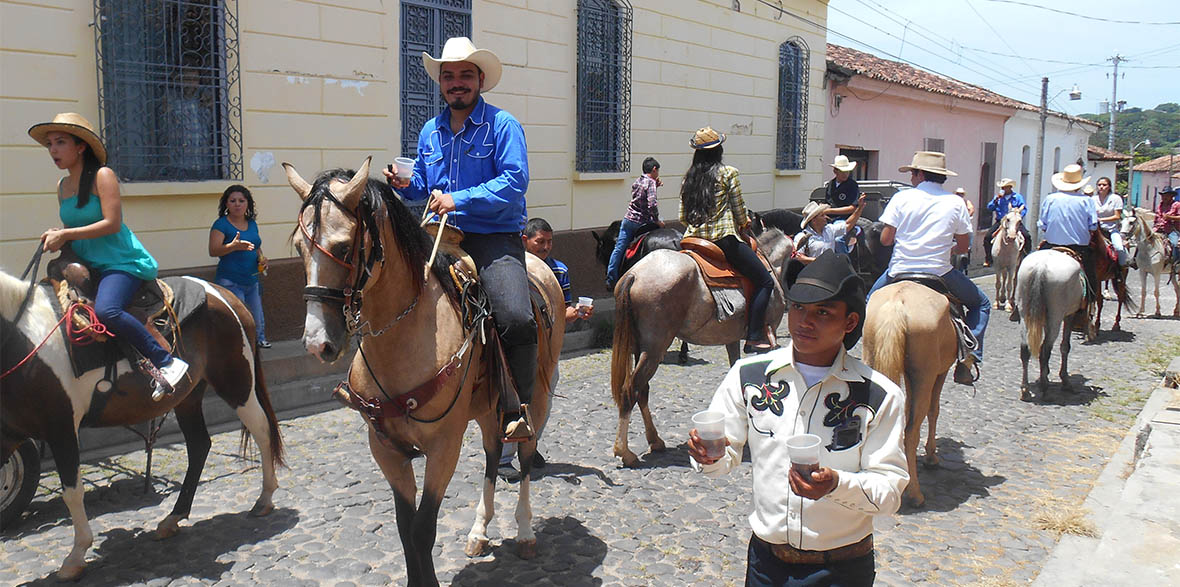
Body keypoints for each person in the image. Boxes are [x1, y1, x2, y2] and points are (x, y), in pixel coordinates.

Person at [688, 251, 907, 587]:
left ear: (850, 322)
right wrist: (708, 455)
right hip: (766, 566)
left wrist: (836, 484)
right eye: (798, 308)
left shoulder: (880, 396)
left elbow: (890, 493)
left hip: (842, 571)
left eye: (823, 312)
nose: (805, 321)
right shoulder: (749, 375)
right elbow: (723, 457)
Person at [383, 37, 534, 440]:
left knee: (516, 317)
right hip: (436, 236)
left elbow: (514, 182)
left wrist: (459, 198)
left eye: (465, 75)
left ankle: (516, 407)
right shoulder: (430, 131)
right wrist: (404, 184)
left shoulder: (503, 125)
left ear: (480, 80)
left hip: (491, 237)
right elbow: (422, 187)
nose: (456, 83)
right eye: (448, 76)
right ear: (441, 84)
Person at [29, 113, 188, 400]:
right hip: (91, 263)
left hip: (121, 263)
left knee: (107, 311)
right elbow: (73, 229)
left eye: (61, 142)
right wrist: (59, 236)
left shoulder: (103, 176)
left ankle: (167, 362)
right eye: (50, 144)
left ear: (81, 147)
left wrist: (66, 235)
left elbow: (111, 223)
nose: (53, 150)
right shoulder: (62, 187)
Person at [868, 151, 989, 385]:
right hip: (939, 273)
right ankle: (969, 358)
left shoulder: (901, 198)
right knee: (980, 304)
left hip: (899, 271)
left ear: (920, 174)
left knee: (868, 303)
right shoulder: (956, 202)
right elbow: (964, 246)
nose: (911, 178)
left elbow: (885, 239)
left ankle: (861, 354)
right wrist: (950, 248)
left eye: (913, 173)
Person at [498, 218, 594, 482]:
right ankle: (503, 457)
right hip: (517, 346)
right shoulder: (511, 269)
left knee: (546, 395)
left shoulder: (559, 270)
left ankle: (530, 444)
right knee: (512, 399)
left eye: (550, 241)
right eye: (540, 241)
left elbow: (561, 309)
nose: (546, 247)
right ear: (525, 241)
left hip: (547, 347)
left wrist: (575, 313)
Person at [680, 126, 776, 354]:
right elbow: (739, 211)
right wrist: (744, 225)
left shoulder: (688, 178)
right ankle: (754, 336)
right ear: (719, 150)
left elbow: (683, 217)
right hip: (722, 239)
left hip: (691, 240)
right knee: (765, 281)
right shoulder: (728, 173)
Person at [209, 185, 271, 348]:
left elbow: (256, 246)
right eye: (233, 201)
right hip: (230, 281)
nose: (237, 204)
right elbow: (213, 250)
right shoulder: (221, 225)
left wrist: (262, 259)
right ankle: (241, 347)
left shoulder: (252, 224)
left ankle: (259, 341)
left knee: (256, 317)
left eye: (241, 201)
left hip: (252, 280)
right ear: (226, 204)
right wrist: (233, 246)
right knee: (240, 318)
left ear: (248, 204)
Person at [1037, 164, 1100, 304]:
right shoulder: (1087, 201)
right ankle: (1088, 303)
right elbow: (1093, 226)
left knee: (1029, 264)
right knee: (1090, 277)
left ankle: (1019, 302)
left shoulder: (1050, 199)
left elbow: (1042, 224)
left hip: (1051, 245)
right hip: (1078, 248)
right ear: (1079, 184)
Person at [606, 157, 663, 289]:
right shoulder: (650, 183)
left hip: (628, 220)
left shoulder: (638, 181)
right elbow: (652, 204)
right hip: (642, 223)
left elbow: (640, 199)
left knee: (619, 249)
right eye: (658, 171)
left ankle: (611, 279)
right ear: (654, 169)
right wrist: (657, 221)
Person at [793, 195, 866, 264]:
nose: (826, 217)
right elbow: (799, 258)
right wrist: (822, 261)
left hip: (829, 271)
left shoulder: (829, 229)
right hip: (813, 273)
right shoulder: (802, 237)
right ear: (814, 220)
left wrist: (859, 208)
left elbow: (847, 224)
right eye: (822, 215)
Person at [983, 178, 1030, 266]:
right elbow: (989, 207)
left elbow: (1024, 208)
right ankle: (989, 258)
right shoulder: (998, 198)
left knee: (1027, 236)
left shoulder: (1017, 197)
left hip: (1014, 221)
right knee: (988, 237)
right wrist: (995, 200)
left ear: (1010, 187)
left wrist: (1018, 217)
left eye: (1006, 187)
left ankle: (1026, 256)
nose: (1004, 189)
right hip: (1001, 221)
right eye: (1003, 187)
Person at [824, 155, 863, 254]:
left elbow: (852, 208)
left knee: (838, 240)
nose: (846, 174)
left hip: (845, 220)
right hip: (829, 220)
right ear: (835, 171)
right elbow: (828, 203)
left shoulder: (852, 185)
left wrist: (829, 211)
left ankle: (844, 264)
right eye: (842, 171)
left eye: (847, 171)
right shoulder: (830, 185)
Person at [1090, 177, 1129, 267]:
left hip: (1111, 229)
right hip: (1095, 229)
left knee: (1118, 247)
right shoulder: (1092, 199)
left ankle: (1121, 268)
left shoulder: (1115, 198)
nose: (1101, 187)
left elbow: (1117, 216)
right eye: (1099, 185)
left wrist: (1101, 219)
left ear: (1109, 187)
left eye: (1104, 185)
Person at [1155, 186, 1180, 264]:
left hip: (1171, 230)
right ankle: (1135, 260)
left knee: (1175, 244)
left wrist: (1170, 217)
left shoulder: (1177, 205)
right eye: (1163, 195)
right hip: (1158, 228)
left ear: (1171, 196)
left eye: (1166, 195)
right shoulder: (1160, 205)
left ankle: (1175, 263)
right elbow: (1156, 218)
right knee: (1144, 239)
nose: (1164, 197)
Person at [953, 187, 975, 272]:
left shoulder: (966, 202)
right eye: (958, 194)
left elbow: (971, 209)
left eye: (961, 194)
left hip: (965, 227)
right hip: (954, 228)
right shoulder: (952, 202)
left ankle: (965, 259)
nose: (960, 195)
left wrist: (967, 216)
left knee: (967, 244)